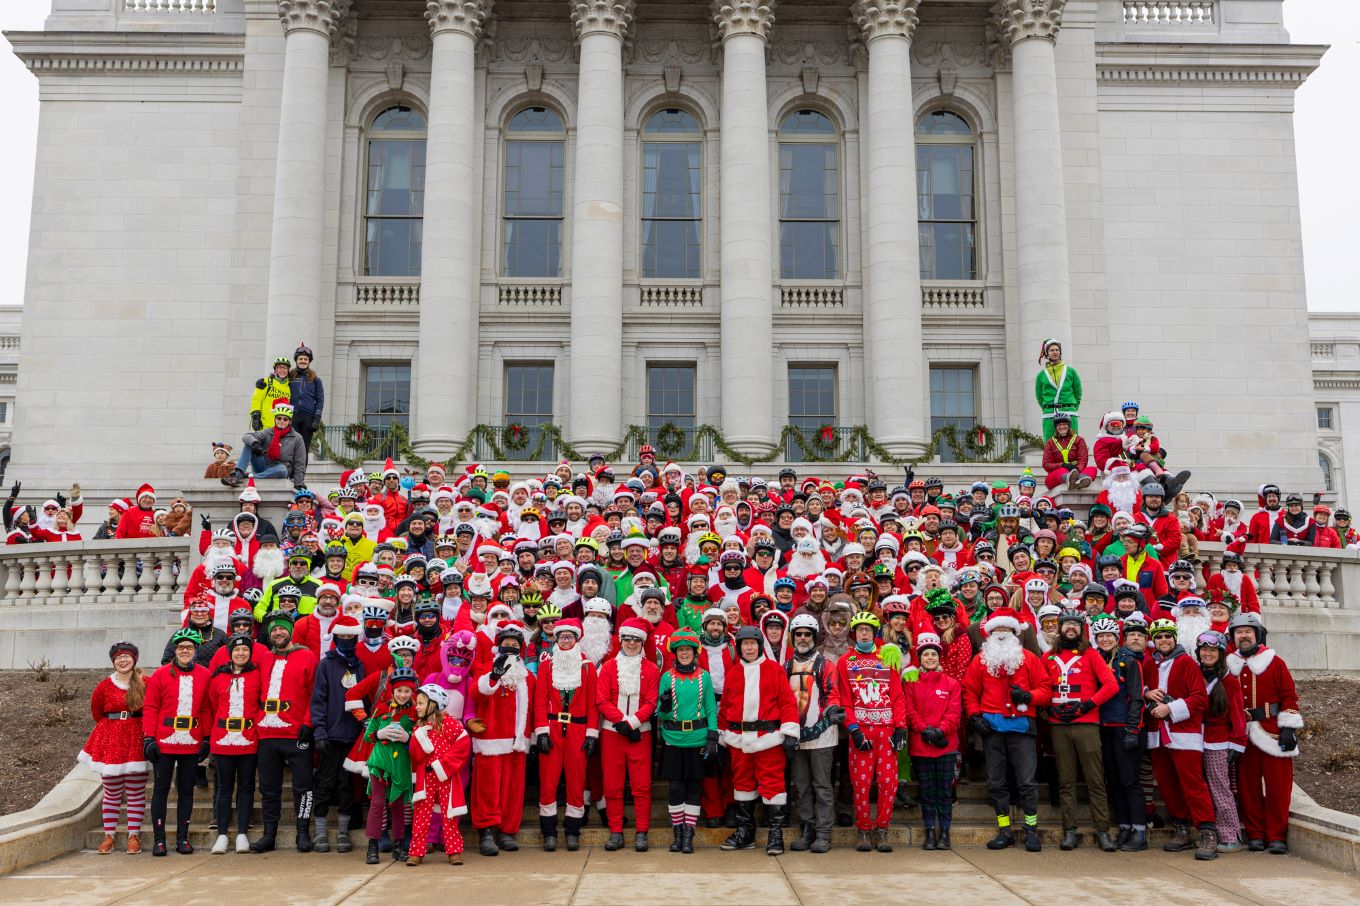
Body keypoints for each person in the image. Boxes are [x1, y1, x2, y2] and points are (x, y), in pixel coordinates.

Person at [962, 607, 1053, 852]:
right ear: (990, 634)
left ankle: (1031, 830)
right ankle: (1004, 830)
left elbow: (1046, 690)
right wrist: (974, 716)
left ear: (1015, 633)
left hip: (1022, 728)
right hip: (991, 729)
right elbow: (969, 690)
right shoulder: (980, 660)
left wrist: (1029, 696)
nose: (1001, 634)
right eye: (997, 630)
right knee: (996, 782)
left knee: (1026, 781)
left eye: (1006, 630)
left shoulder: (1030, 659)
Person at [720, 624, 800, 856]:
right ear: (740, 647)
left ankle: (776, 835)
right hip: (738, 740)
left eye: (753, 644)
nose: (749, 648)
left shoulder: (774, 670)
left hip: (768, 740)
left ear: (759, 646)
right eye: (745, 644)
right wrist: (722, 735)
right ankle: (746, 832)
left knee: (773, 785)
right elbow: (725, 706)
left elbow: (787, 702)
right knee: (742, 786)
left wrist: (789, 733)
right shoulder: (733, 673)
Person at [1226, 611, 1303, 854]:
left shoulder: (1275, 662)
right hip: (1241, 734)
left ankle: (1276, 836)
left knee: (1278, 787)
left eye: (1248, 632)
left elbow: (1289, 695)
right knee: (1247, 787)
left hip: (1272, 733)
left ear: (1258, 635)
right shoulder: (1228, 665)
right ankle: (1256, 834)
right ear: (1234, 637)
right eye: (1239, 632)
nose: (1244, 636)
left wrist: (1288, 728)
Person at [1143, 618, 1218, 860]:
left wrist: (1171, 709)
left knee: (1193, 784)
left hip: (1183, 734)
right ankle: (1181, 828)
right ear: (1153, 641)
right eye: (1159, 637)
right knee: (1167, 785)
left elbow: (1199, 699)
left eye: (1167, 636)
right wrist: (1146, 695)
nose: (1163, 640)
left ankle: (1207, 831)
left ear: (1174, 638)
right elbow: (1140, 690)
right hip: (1158, 734)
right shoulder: (1149, 664)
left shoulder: (1186, 662)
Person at [1043, 610, 1118, 852]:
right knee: (1066, 780)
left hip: (1086, 724)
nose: (1071, 628)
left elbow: (1111, 684)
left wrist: (1089, 704)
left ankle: (1103, 831)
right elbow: (1040, 687)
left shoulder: (1092, 654)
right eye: (1067, 624)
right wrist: (1048, 711)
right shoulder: (1048, 657)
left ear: (1081, 628)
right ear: (1060, 628)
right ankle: (1070, 830)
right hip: (1059, 726)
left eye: (1075, 624)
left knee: (1095, 779)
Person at [834, 611, 907, 853]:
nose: (863, 633)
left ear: (874, 632)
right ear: (854, 633)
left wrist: (900, 728)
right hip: (862, 731)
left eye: (868, 629)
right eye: (859, 630)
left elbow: (897, 696)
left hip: (886, 730)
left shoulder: (887, 656)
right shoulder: (845, 661)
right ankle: (864, 830)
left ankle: (883, 829)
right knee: (861, 784)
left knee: (888, 782)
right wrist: (853, 730)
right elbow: (845, 700)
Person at [250, 610, 318, 853]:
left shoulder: (307, 656)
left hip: (297, 733)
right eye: (273, 630)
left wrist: (309, 723)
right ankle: (270, 833)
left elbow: (314, 694)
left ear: (290, 630)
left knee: (303, 786)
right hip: (267, 734)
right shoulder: (264, 659)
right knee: (268, 787)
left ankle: (303, 832)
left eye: (282, 628)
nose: (278, 633)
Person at [141, 628, 211, 856]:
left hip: (191, 742)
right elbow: (151, 707)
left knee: (186, 791)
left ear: (195, 651)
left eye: (189, 648)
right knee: (160, 790)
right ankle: (159, 839)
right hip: (165, 742)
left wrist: (207, 737)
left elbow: (206, 708)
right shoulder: (161, 675)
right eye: (181, 647)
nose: (185, 651)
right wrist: (149, 737)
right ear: (175, 650)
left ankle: (183, 837)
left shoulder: (204, 674)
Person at [533, 618, 600, 852]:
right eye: (562, 637)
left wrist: (592, 734)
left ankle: (573, 831)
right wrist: (540, 731)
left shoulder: (587, 667)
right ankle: (549, 832)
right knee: (548, 781)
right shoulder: (546, 666)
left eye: (570, 637)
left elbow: (593, 703)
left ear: (576, 639)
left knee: (576, 781)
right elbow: (540, 700)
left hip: (578, 730)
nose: (565, 641)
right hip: (551, 728)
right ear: (556, 639)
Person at [469, 621, 535, 857]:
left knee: (512, 789)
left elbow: (533, 708)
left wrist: (533, 737)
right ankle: (486, 831)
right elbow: (477, 692)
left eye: (515, 644)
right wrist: (493, 677)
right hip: (491, 739)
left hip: (517, 742)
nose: (510, 647)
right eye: (506, 643)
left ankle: (507, 831)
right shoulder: (485, 668)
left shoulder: (528, 676)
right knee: (487, 788)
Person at [596, 617, 660, 852]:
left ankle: (642, 831)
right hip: (612, 734)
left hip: (639, 734)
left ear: (642, 643)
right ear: (620, 640)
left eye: (636, 640)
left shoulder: (651, 669)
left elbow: (652, 701)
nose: (631, 643)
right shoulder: (609, 666)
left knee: (641, 786)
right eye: (627, 639)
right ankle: (615, 832)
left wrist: (632, 723)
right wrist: (621, 722)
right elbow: (602, 699)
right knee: (612, 786)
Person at [80, 641, 150, 855]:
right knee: (111, 791)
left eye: (127, 656)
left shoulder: (144, 682)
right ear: (113, 660)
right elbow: (97, 712)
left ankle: (133, 836)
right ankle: (109, 835)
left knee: (136, 791)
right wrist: (113, 729)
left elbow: (153, 707)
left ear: (134, 659)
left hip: (135, 738)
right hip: (110, 740)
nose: (123, 659)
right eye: (118, 656)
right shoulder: (104, 685)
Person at [656, 628, 720, 854]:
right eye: (680, 649)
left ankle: (688, 835)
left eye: (688, 650)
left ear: (695, 652)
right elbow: (661, 715)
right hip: (674, 739)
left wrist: (713, 737)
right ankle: (677, 832)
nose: (684, 653)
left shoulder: (704, 677)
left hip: (698, 739)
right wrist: (663, 706)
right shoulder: (666, 677)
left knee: (694, 787)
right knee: (675, 788)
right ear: (675, 652)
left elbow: (711, 709)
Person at [785, 613, 843, 854]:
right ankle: (807, 829)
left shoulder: (824, 664)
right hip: (796, 736)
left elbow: (833, 695)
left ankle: (823, 833)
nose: (802, 638)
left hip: (822, 736)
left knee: (822, 786)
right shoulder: (787, 665)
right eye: (798, 634)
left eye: (807, 634)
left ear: (814, 636)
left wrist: (826, 718)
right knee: (802, 786)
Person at [1090, 616, 1147, 851]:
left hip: (1126, 727)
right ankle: (1125, 827)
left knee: (1129, 780)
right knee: (1113, 781)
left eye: (1109, 636)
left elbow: (1136, 697)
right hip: (1104, 727)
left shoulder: (1129, 660)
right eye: (1100, 636)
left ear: (1117, 638)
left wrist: (1133, 730)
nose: (1104, 640)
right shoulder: (1095, 659)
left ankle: (1139, 832)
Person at [308, 614, 364, 853]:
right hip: (330, 735)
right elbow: (318, 700)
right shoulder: (326, 664)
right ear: (335, 637)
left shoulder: (359, 665)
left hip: (352, 736)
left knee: (345, 785)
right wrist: (319, 731)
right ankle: (320, 833)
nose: (346, 640)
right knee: (324, 783)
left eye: (350, 636)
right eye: (342, 636)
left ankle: (343, 832)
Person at [203, 633, 262, 855]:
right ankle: (222, 835)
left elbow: (260, 702)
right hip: (223, 738)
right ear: (230, 653)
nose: (240, 653)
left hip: (248, 739)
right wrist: (209, 735)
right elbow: (211, 705)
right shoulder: (218, 677)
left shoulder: (257, 675)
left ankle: (242, 834)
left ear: (250, 653)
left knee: (246, 788)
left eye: (245, 650)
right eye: (237, 650)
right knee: (224, 789)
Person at [406, 683, 472, 867]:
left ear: (433, 704)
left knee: (449, 814)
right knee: (421, 815)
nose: (416, 707)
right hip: (425, 779)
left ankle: (454, 851)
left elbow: (463, 744)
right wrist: (419, 738)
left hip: (445, 777)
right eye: (416, 703)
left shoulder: (449, 723)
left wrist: (443, 765)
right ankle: (416, 852)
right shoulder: (418, 727)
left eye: (420, 703)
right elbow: (415, 754)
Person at [1196, 629, 1247, 855]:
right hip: (1196, 738)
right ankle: (1208, 831)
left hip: (1219, 740)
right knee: (1202, 788)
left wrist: (1238, 742)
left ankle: (1229, 835)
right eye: (1204, 650)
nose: (1207, 654)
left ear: (1220, 653)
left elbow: (1237, 713)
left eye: (1212, 650)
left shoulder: (1228, 680)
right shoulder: (1195, 673)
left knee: (1220, 788)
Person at [363, 666, 418, 864]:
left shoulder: (415, 712)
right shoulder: (381, 708)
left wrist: (408, 737)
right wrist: (378, 734)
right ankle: (372, 847)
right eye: (399, 691)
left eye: (407, 691)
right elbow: (367, 737)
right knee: (377, 803)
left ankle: (398, 845)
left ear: (413, 692)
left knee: (399, 805)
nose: (403, 695)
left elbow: (422, 738)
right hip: (380, 763)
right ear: (392, 690)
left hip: (402, 764)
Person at [223, 401, 309, 490]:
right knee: (249, 444)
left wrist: (298, 483)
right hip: (262, 466)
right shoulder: (268, 432)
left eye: (285, 419)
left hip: (278, 470)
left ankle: (251, 477)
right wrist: (255, 443)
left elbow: (300, 462)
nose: (281, 421)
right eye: (279, 418)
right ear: (275, 419)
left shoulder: (297, 438)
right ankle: (238, 476)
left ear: (289, 421)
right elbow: (246, 436)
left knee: (283, 469)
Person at [1034, 339, 1081, 441]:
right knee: (1049, 444)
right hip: (1049, 413)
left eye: (1057, 350)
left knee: (1073, 443)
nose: (1055, 352)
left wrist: (1073, 408)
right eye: (1051, 350)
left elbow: (1078, 392)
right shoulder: (1041, 375)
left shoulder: (1070, 371)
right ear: (1047, 353)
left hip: (1069, 411)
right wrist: (1046, 407)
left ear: (1060, 352)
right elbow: (1039, 396)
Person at [288, 342, 325, 452]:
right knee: (290, 448)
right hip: (291, 416)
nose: (303, 361)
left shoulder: (316, 380)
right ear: (296, 360)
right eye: (301, 359)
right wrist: (262, 382)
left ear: (309, 361)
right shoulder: (290, 376)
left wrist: (316, 419)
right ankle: (289, 470)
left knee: (303, 449)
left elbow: (320, 399)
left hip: (308, 417)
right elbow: (277, 379)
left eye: (305, 359)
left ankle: (301, 470)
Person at [250, 356, 292, 431]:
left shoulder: (288, 387)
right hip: (264, 424)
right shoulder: (266, 382)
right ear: (275, 370)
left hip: (280, 426)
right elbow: (257, 399)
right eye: (279, 367)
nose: (282, 370)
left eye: (285, 368)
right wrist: (255, 416)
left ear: (288, 371)